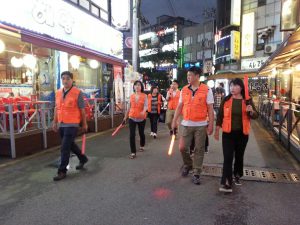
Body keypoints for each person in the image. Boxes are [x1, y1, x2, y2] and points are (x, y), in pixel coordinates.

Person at [214, 78, 258, 193]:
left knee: (239, 156)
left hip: (242, 135)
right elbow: (220, 115)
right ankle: (226, 182)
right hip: (228, 134)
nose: (232, 88)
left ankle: (237, 174)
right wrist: (217, 129)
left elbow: (255, 115)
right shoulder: (226, 99)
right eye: (231, 86)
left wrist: (251, 111)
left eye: (235, 86)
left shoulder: (247, 100)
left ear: (241, 87)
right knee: (228, 158)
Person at [172, 66, 214, 185]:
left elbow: (210, 109)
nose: (188, 77)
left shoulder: (207, 90)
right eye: (187, 76)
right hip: (186, 123)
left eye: (190, 75)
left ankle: (196, 172)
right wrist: (174, 120)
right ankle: (188, 164)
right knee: (182, 147)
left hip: (201, 124)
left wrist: (210, 125)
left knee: (199, 149)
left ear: (197, 76)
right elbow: (180, 106)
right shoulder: (184, 90)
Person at [52, 71, 89, 181]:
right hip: (62, 123)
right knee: (70, 145)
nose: (65, 81)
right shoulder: (58, 92)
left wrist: (84, 124)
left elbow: (82, 110)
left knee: (64, 147)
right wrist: (54, 122)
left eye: (67, 78)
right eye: (63, 78)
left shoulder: (78, 93)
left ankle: (62, 170)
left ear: (72, 80)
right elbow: (56, 108)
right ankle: (83, 158)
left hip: (72, 124)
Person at [123, 80, 147, 159]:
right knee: (132, 135)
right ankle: (133, 152)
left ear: (141, 87)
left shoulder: (144, 96)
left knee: (141, 133)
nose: (137, 86)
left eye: (139, 85)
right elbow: (128, 107)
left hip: (141, 118)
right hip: (132, 117)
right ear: (133, 87)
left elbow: (146, 106)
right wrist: (125, 117)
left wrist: (143, 112)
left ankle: (142, 145)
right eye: (136, 85)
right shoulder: (131, 96)